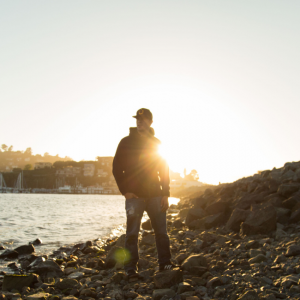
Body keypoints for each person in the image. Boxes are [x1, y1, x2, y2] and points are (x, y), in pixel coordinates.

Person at [112, 108, 174, 278]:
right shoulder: (125, 142)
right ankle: (131, 269)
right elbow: (117, 168)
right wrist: (125, 191)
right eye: (138, 119)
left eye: (144, 119)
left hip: (155, 195)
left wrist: (165, 193)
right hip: (135, 197)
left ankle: (165, 264)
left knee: (161, 232)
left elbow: (164, 169)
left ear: (150, 122)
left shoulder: (156, 143)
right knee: (132, 233)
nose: (140, 122)